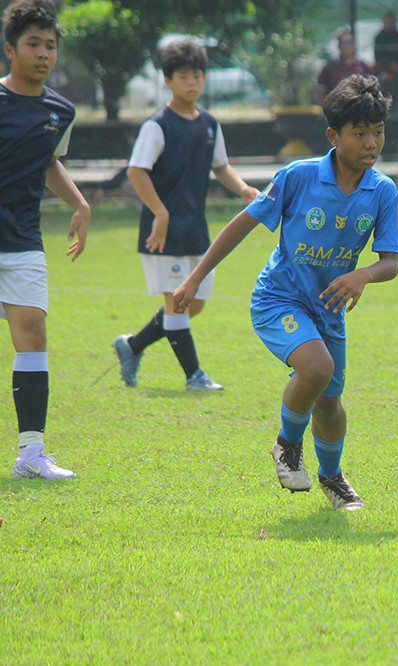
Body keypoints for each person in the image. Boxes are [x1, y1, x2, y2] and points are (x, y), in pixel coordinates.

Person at [173, 75, 398, 510]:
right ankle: (286, 445)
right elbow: (242, 224)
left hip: (328, 311)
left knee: (330, 405)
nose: (372, 143)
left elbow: (390, 261)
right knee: (316, 368)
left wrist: (363, 275)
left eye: (378, 132)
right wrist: (196, 276)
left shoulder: (382, 191)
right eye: (360, 134)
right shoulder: (298, 177)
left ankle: (332, 477)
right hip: (278, 299)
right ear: (334, 136)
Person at [112, 39, 259, 391]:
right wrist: (160, 213)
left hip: (196, 227)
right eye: (183, 76)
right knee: (177, 304)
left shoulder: (209, 123)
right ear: (167, 80)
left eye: (197, 76)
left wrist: (244, 190)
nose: (192, 83)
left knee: (194, 305)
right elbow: (136, 171)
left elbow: (221, 166)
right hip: (162, 231)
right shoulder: (157, 125)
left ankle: (131, 345)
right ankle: (194, 376)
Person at [1, 0, 90, 480]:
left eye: (50, 46)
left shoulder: (61, 110)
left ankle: (31, 454)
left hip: (22, 238)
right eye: (33, 44)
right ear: (11, 49)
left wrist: (80, 204)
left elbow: (48, 160)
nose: (43, 54)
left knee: (33, 333)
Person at [314, 29, 370, 102]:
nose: (347, 46)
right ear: (339, 46)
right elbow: (320, 89)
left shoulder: (363, 66)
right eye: (343, 43)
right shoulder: (330, 66)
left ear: (353, 45)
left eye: (349, 42)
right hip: (336, 108)